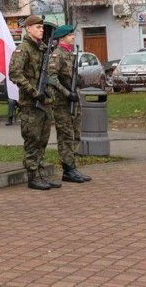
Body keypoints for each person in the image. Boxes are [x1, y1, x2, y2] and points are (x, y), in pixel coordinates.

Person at [8, 15, 61, 191]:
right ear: (28, 29)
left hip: (44, 101)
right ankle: (33, 176)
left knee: (43, 140)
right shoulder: (23, 49)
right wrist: (33, 92)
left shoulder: (42, 49)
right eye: (38, 27)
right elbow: (15, 73)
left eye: (42, 27)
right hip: (31, 103)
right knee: (33, 140)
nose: (41, 30)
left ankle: (40, 172)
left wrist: (46, 93)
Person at [47, 25, 92, 183]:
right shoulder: (57, 55)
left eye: (73, 34)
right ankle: (68, 169)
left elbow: (71, 77)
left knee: (76, 134)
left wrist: (78, 83)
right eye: (70, 34)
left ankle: (72, 167)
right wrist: (67, 93)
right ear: (61, 38)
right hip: (62, 103)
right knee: (66, 135)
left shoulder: (70, 54)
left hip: (74, 100)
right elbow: (51, 78)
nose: (73, 37)